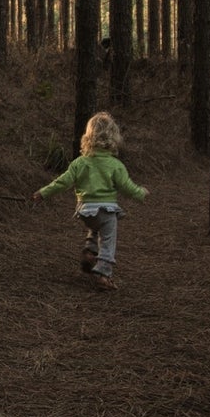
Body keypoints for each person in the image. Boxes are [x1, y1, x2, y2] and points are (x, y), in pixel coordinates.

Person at [32, 111, 148, 291]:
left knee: (95, 228)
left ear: (88, 136)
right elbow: (127, 186)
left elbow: (63, 182)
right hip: (106, 211)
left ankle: (89, 252)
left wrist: (43, 193)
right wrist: (140, 193)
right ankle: (103, 273)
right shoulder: (115, 165)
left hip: (85, 211)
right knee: (108, 239)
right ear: (113, 137)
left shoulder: (80, 163)